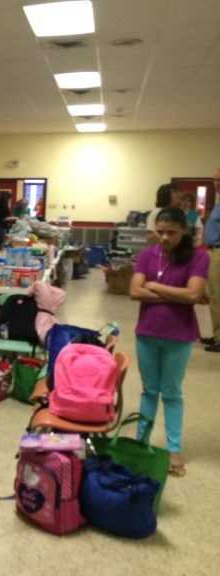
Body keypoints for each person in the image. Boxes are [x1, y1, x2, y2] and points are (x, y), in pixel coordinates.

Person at [129, 207, 209, 477]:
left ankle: (173, 449)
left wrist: (155, 287)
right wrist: (177, 295)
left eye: (171, 232)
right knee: (149, 391)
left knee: (172, 394)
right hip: (147, 333)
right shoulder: (146, 255)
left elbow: (194, 295)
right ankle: (141, 442)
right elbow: (134, 291)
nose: (164, 237)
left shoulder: (198, 257)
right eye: (160, 231)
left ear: (184, 230)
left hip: (179, 335)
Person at [201, 170, 220, 352]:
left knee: (218, 296)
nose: (217, 183)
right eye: (215, 180)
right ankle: (217, 335)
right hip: (213, 252)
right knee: (213, 295)